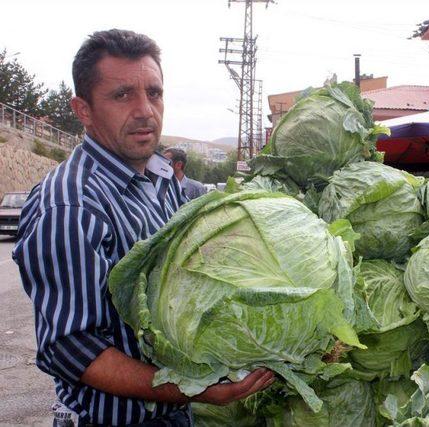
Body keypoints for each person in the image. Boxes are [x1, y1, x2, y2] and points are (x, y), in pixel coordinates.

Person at [12, 29, 274, 426]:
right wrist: (192, 387)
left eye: (154, 93)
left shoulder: (160, 180)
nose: (144, 110)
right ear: (83, 110)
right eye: (122, 95)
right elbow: (69, 347)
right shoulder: (70, 204)